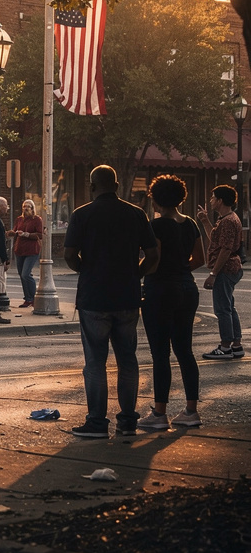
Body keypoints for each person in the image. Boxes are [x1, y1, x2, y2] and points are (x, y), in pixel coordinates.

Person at [63, 165, 159, 438]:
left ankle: (96, 422)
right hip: (127, 296)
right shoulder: (136, 214)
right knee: (128, 359)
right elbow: (153, 255)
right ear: (116, 186)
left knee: (95, 361)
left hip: (94, 297)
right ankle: (128, 421)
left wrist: (87, 269)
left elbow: (70, 254)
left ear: (93, 187)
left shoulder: (82, 214)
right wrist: (135, 273)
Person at [138, 175, 203, 430]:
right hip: (187, 288)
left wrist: (137, 272)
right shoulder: (190, 223)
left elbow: (154, 259)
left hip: (161, 289)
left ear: (155, 198)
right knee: (185, 350)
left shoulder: (157, 226)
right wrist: (180, 268)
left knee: (160, 353)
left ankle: (159, 413)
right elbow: (199, 258)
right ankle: (191, 410)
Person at [196, 184, 243, 359]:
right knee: (229, 307)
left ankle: (225, 347)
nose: (211, 200)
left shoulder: (229, 221)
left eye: (213, 197)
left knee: (222, 309)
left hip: (225, 269)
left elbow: (225, 249)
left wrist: (213, 274)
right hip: (228, 268)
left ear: (220, 200)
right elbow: (214, 240)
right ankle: (236, 345)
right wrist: (205, 220)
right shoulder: (225, 219)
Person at [11, 198, 45, 308]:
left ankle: (33, 298)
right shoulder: (19, 219)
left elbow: (40, 235)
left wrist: (26, 234)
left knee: (26, 274)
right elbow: (15, 231)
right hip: (19, 249)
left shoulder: (37, 220)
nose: (25, 209)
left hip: (32, 250)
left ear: (32, 208)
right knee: (22, 275)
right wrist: (12, 233)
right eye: (24, 207)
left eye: (28, 207)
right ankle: (27, 299)